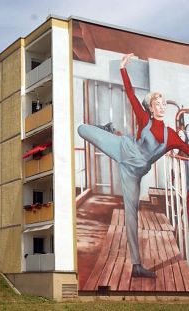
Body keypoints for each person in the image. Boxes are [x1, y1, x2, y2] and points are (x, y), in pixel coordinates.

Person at [78, 53, 189, 278]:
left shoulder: (172, 136)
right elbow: (130, 94)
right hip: (122, 148)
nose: (160, 106)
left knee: (132, 215)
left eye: (162, 103)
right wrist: (122, 68)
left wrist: (182, 147)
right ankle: (107, 130)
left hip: (133, 172)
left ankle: (137, 265)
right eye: (156, 103)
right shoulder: (144, 119)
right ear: (150, 107)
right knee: (82, 129)